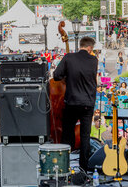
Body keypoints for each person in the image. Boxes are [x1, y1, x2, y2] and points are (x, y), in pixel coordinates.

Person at [53, 37, 98, 171]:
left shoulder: (69, 58)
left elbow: (56, 75)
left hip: (72, 102)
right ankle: (83, 168)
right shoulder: (94, 60)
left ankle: (64, 166)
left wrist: (67, 75)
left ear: (81, 45)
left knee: (67, 134)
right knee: (85, 136)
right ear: (90, 48)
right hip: (88, 103)